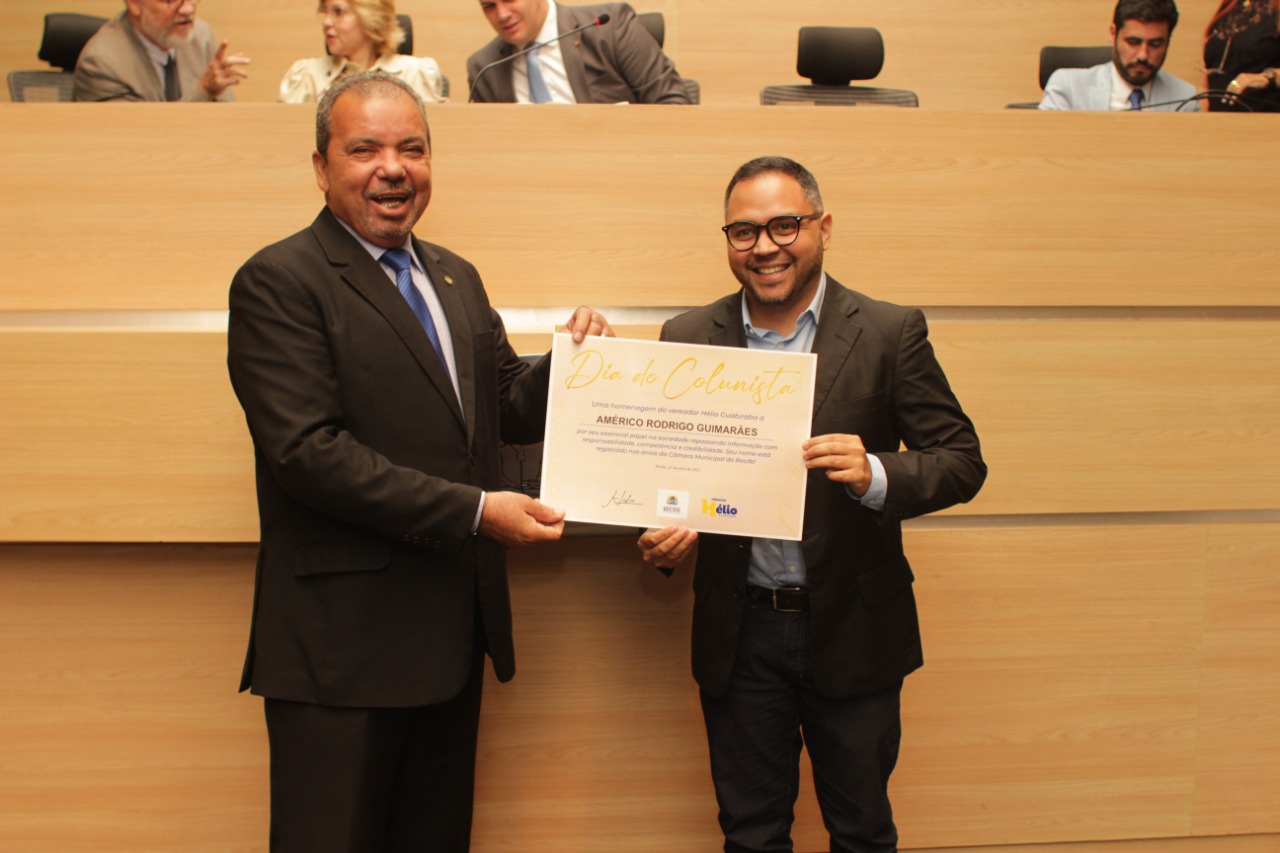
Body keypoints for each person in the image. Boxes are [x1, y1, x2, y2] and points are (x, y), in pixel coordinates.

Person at [226, 70, 612, 852]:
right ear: (321, 165)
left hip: (448, 639)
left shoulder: (454, 277)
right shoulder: (280, 280)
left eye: (412, 147)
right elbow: (308, 454)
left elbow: (502, 400)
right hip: (342, 652)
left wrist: (574, 366)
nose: (392, 168)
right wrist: (477, 509)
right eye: (364, 148)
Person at [638, 156, 986, 853]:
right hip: (742, 638)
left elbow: (960, 459)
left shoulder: (890, 332)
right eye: (743, 231)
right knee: (751, 834)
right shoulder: (688, 338)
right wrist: (662, 532)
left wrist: (875, 474)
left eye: (783, 225)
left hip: (855, 631)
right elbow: (667, 476)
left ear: (822, 227)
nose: (764, 246)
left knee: (861, 832)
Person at [466, 0, 690, 103]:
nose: (502, 14)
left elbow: (674, 102)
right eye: (489, 6)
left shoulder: (609, 26)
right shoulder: (484, 67)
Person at [73, 0, 249, 102]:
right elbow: (141, 143)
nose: (187, 9)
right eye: (171, 0)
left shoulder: (200, 36)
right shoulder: (101, 62)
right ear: (134, 3)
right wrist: (203, 92)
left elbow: (227, 117)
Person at [1039, 0, 1200, 110]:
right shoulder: (1069, 88)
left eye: (1155, 44)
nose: (1143, 55)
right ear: (1113, 34)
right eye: (1133, 42)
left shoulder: (1185, 98)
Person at [279, 0, 446, 104]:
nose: (327, 22)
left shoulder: (416, 73)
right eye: (325, 12)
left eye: (338, 12)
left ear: (371, 16)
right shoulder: (306, 75)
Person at [1203, 0, 1280, 111]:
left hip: (1263, 117)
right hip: (1217, 119)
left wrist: (1268, 78)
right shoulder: (1232, 5)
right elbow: (1208, 70)